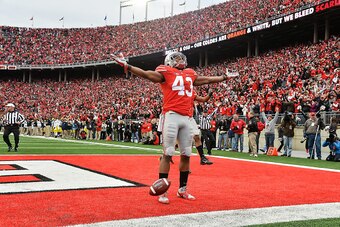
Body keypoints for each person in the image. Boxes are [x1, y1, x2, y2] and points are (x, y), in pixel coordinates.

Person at [112, 51, 236, 204]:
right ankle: (162, 192)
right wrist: (128, 66)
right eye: (176, 58)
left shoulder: (190, 73)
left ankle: (182, 189)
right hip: (171, 115)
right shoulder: (165, 71)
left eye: (181, 58)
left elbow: (207, 79)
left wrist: (224, 77)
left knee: (186, 154)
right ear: (169, 61)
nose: (180, 60)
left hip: (187, 117)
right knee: (168, 152)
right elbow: (146, 74)